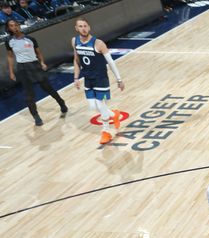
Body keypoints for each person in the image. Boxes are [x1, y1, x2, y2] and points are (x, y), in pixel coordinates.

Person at [71, 17, 124, 145]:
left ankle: (106, 132)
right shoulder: (74, 41)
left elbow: (111, 62)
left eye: (85, 26)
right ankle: (114, 114)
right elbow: (76, 60)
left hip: (101, 78)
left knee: (101, 105)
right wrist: (76, 78)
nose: (83, 28)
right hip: (88, 79)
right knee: (93, 106)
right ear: (76, 28)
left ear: (89, 27)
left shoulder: (98, 43)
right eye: (80, 26)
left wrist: (119, 79)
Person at [5, 19, 67, 126]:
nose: (14, 27)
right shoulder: (9, 42)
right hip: (22, 68)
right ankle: (36, 116)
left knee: (48, 88)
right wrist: (11, 72)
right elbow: (10, 57)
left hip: (34, 65)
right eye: (11, 26)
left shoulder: (30, 39)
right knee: (29, 94)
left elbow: (38, 53)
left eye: (16, 25)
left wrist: (42, 62)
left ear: (19, 26)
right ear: (9, 28)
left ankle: (61, 102)